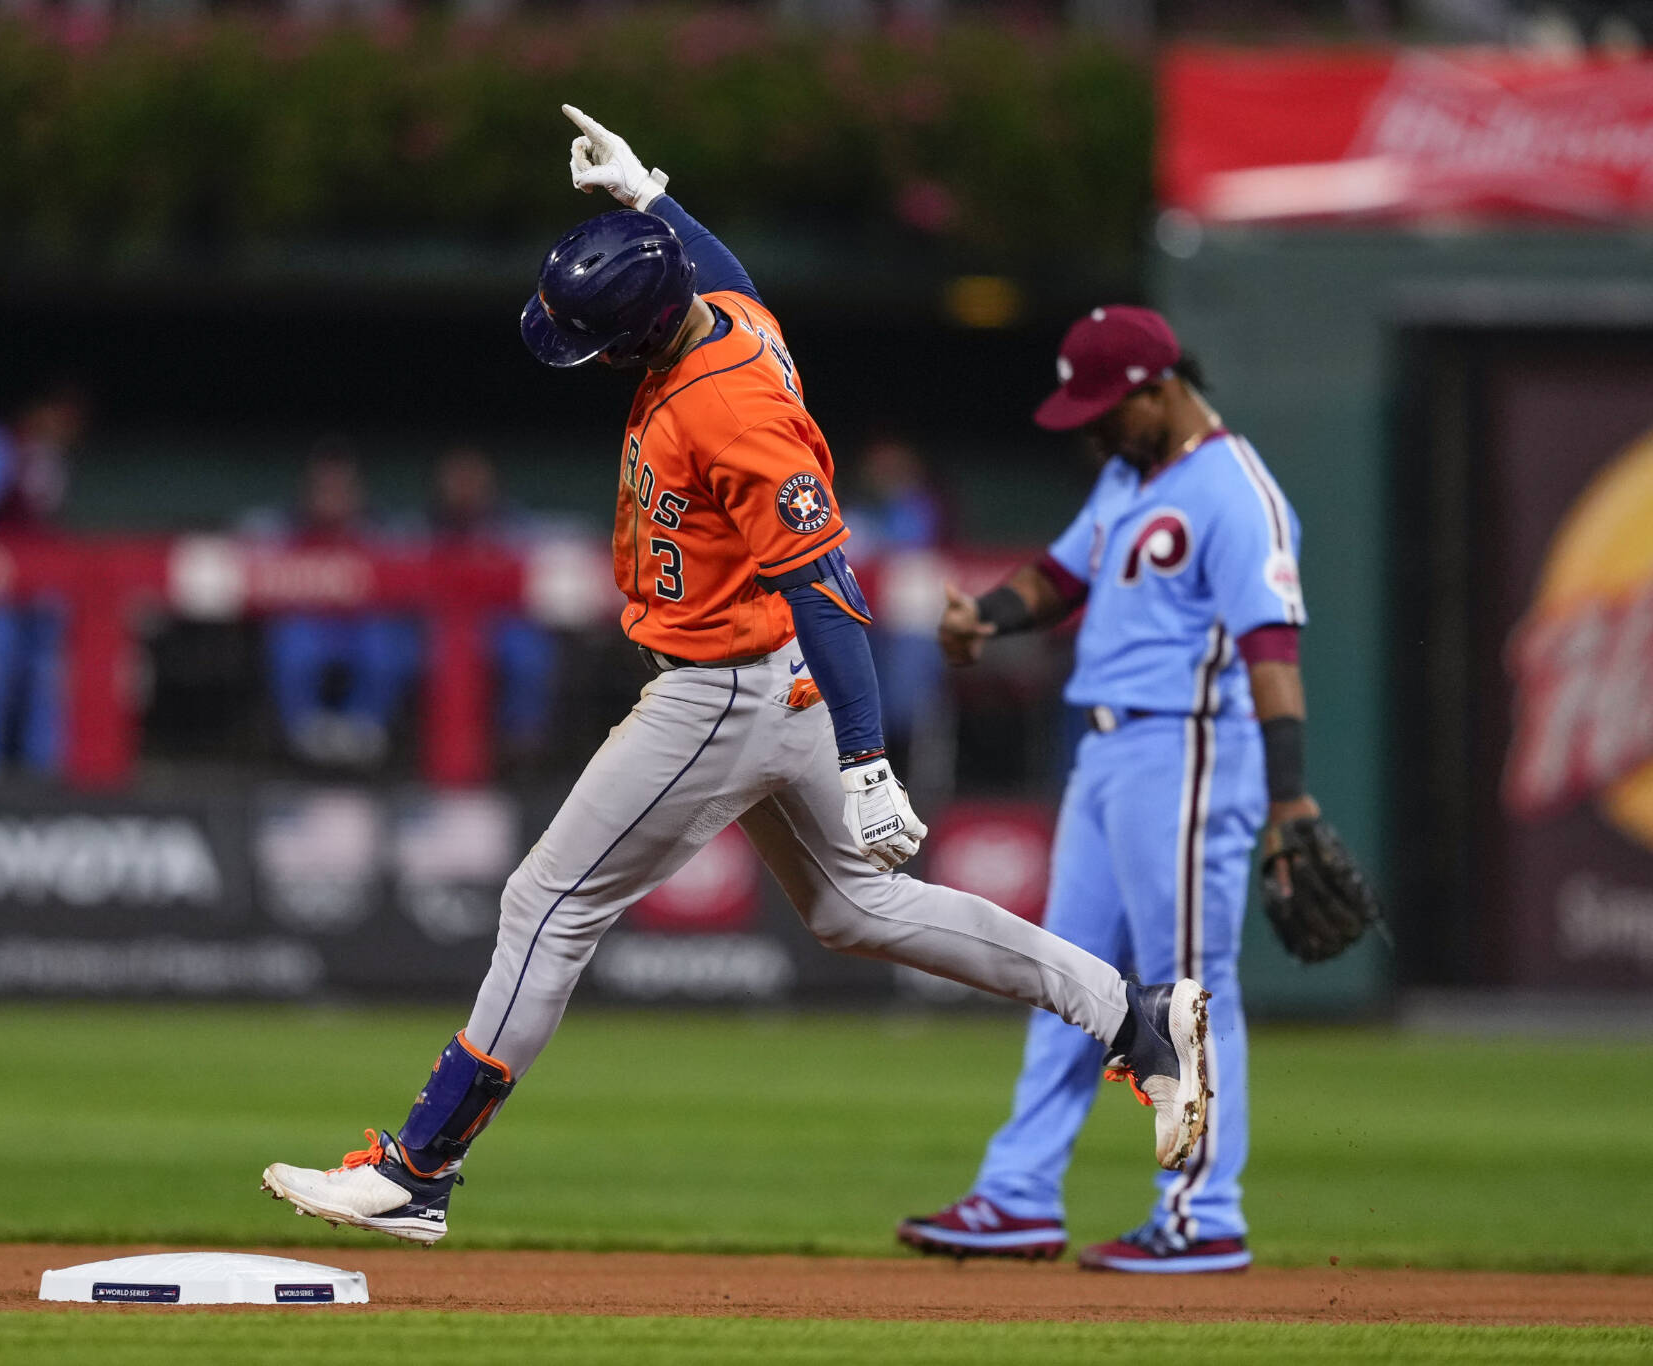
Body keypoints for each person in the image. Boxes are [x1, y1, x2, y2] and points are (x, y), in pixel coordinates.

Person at [260, 107, 1214, 1245]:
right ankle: (1130, 1016)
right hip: (755, 673)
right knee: (856, 906)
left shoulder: (731, 408)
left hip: (722, 684)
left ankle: (419, 1165)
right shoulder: (719, 317)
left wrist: (868, 760)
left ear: (631, 335)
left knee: (545, 904)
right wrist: (648, 200)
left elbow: (826, 583)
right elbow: (729, 274)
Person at [896, 306, 1314, 1273]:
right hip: (1106, 753)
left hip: (1191, 750)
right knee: (1067, 980)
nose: (1092, 428)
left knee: (1189, 989)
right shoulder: (1131, 475)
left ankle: (1204, 1209)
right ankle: (1019, 1195)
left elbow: (1274, 650)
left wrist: (1290, 797)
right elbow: (1058, 577)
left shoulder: (1236, 490)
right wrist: (985, 618)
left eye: (1105, 407)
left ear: (1161, 388)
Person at [0, 381, 86, 782]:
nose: (68, 427)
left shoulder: (55, 458)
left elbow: (47, 525)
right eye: (60, 415)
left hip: (38, 590)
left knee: (47, 682)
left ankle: (45, 778)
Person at [261, 443, 416, 769]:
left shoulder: (384, 533)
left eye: (341, 487)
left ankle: (366, 731)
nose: (332, 496)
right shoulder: (280, 529)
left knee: (385, 644)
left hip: (361, 628)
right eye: (323, 488)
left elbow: (410, 584)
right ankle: (304, 734)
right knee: (294, 643)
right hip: (309, 625)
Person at [422, 445, 557, 759]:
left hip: (503, 622)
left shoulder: (516, 528)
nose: (465, 487)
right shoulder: (419, 529)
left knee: (529, 652)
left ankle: (521, 748)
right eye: (456, 478)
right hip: (437, 626)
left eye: (473, 477)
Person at [845, 435, 952, 746]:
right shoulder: (857, 507)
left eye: (891, 467)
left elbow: (909, 545)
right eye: (878, 467)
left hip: (909, 623)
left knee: (903, 704)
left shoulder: (920, 507)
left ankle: (906, 772)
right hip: (864, 621)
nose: (882, 473)